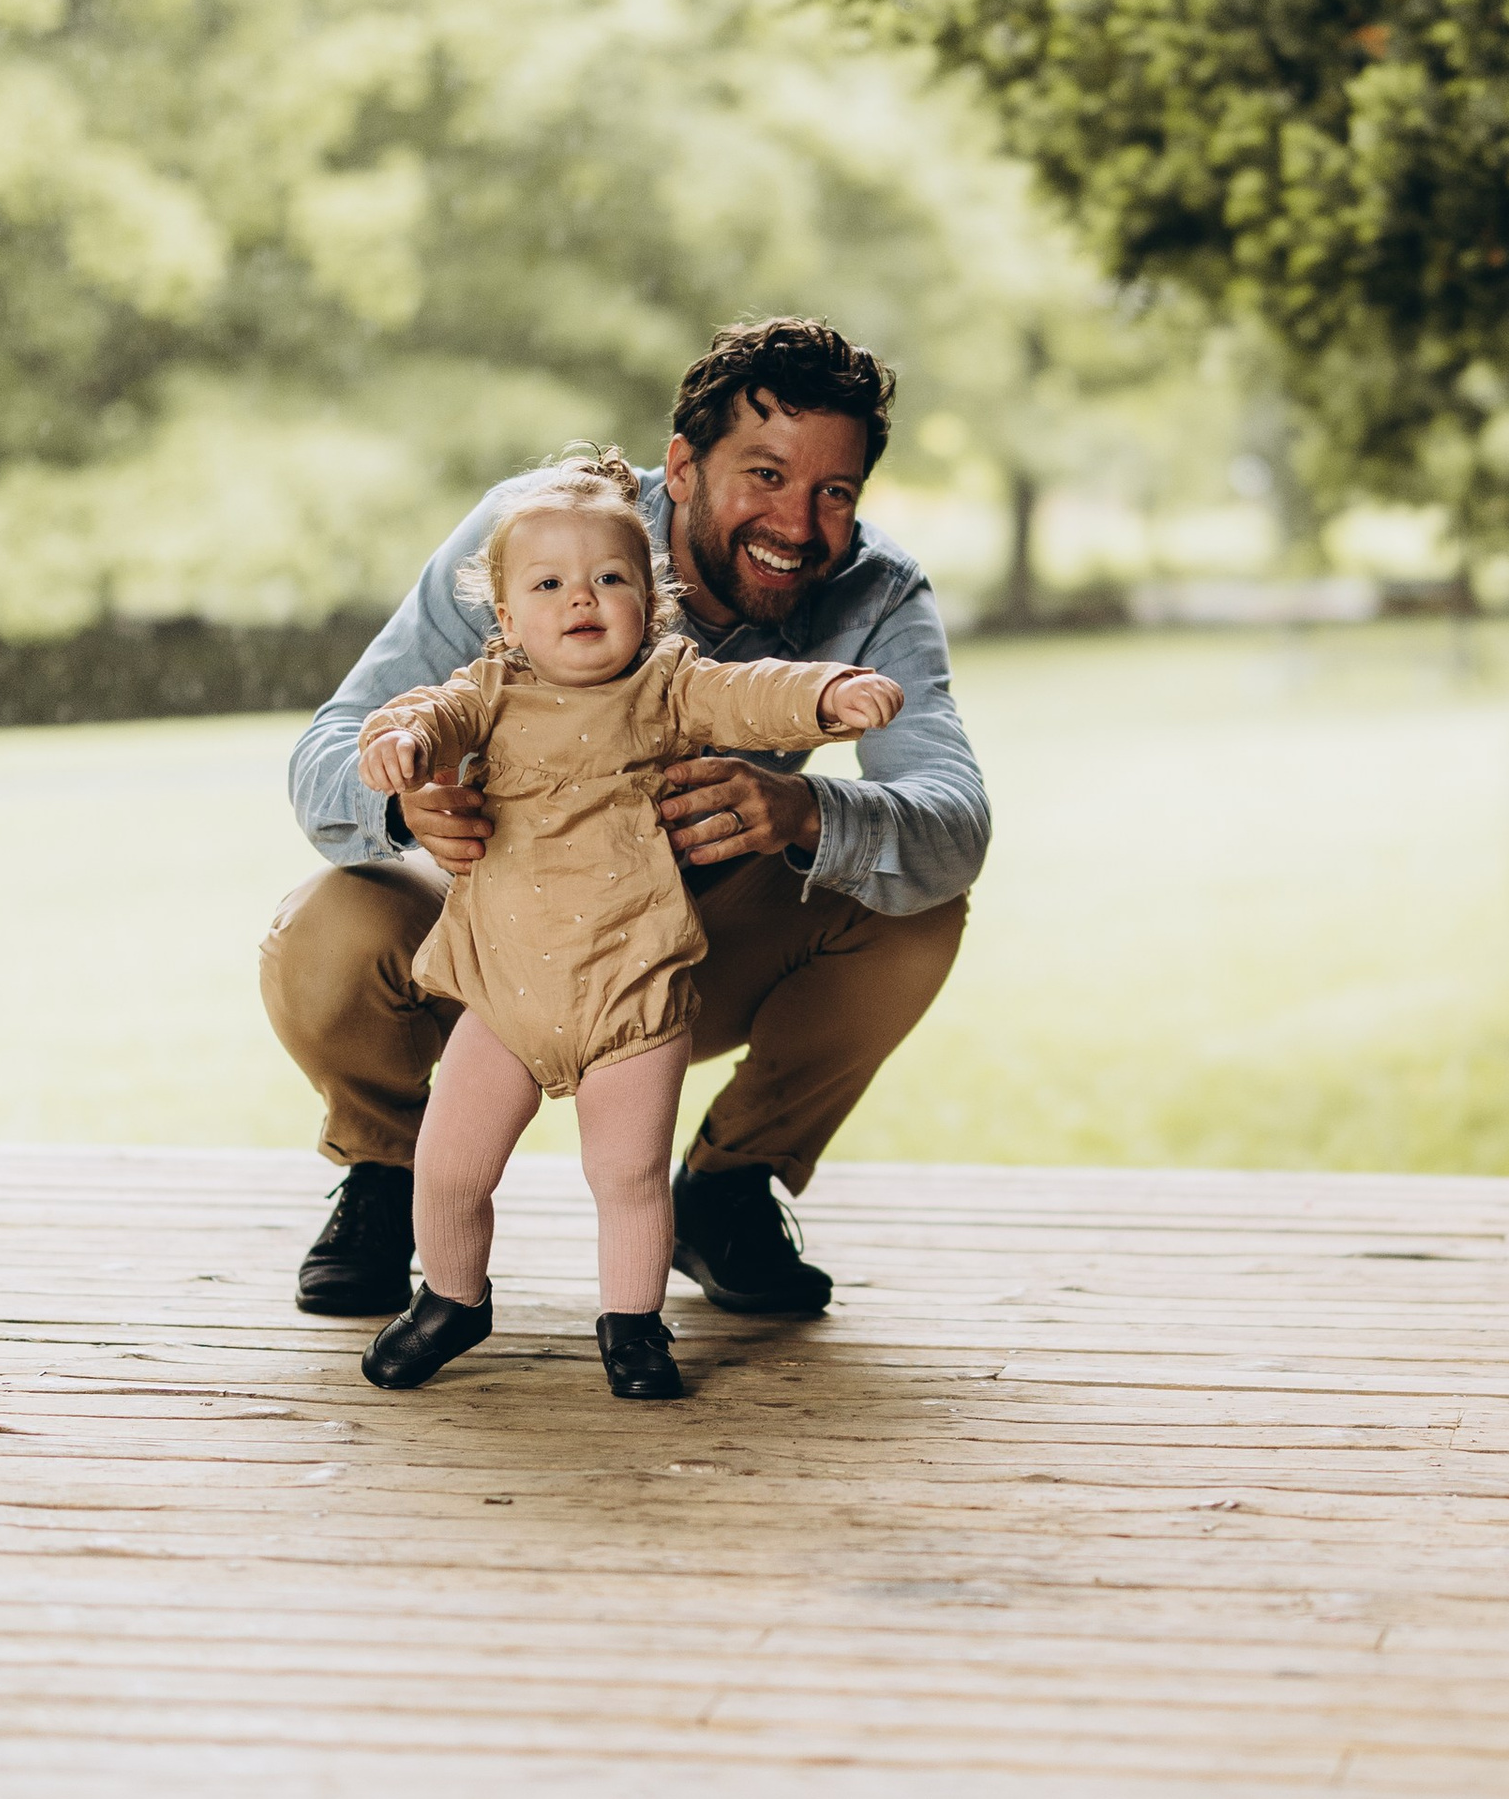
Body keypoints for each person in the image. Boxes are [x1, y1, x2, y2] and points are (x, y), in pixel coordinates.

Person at [261, 318, 987, 1326]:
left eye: (835, 491)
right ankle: (391, 1174)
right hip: (499, 931)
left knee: (917, 909)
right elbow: (328, 746)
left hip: (675, 953)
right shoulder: (538, 539)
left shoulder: (875, 590)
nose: (800, 523)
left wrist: (802, 807)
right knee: (327, 926)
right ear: (680, 466)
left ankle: (729, 1189)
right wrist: (404, 799)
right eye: (765, 476)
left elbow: (951, 820)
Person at [350, 447, 904, 1402]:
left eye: (612, 578)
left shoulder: (668, 685)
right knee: (447, 1167)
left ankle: (632, 1325)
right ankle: (450, 1298)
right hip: (506, 990)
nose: (583, 599)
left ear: (651, 603)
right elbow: (425, 717)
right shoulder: (489, 689)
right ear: (508, 614)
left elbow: (750, 690)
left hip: (632, 989)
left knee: (630, 1177)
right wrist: (399, 748)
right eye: (551, 583)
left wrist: (825, 694)